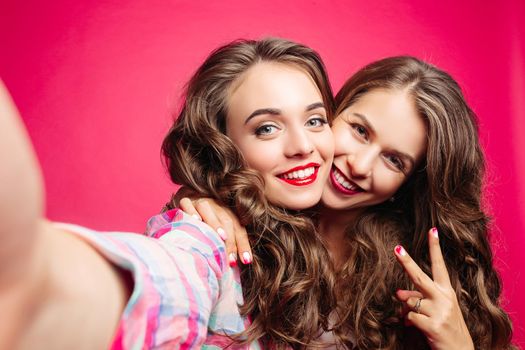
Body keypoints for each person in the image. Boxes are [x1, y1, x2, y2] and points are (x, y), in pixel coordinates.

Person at [0, 37, 342, 349]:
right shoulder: (206, 237)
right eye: (266, 128)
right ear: (222, 146)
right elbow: (170, 278)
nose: (302, 146)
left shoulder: (352, 232)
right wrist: (42, 280)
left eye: (315, 120)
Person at [182, 56, 515, 349]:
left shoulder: (412, 272)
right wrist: (201, 199)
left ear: (409, 183)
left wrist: (457, 345)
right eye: (359, 130)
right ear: (330, 114)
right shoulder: (240, 223)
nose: (359, 165)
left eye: (394, 160)